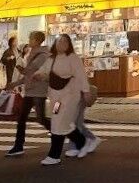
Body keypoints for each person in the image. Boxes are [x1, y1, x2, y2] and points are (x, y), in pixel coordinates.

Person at [39, 34, 96, 166]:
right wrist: (37, 75)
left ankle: (54, 155)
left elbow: (81, 76)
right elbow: (43, 71)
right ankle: (82, 142)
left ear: (69, 44)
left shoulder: (73, 58)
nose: (62, 44)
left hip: (69, 96)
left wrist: (86, 91)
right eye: (59, 41)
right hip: (56, 98)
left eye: (65, 42)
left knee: (58, 121)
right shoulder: (51, 58)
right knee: (58, 119)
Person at [6, 31, 52, 157]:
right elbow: (29, 74)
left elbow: (33, 72)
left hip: (38, 91)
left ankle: (60, 132)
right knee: (23, 118)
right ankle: (18, 146)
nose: (29, 41)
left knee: (40, 118)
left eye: (31, 39)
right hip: (31, 90)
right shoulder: (33, 53)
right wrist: (15, 83)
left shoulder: (42, 55)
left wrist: (22, 71)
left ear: (37, 41)